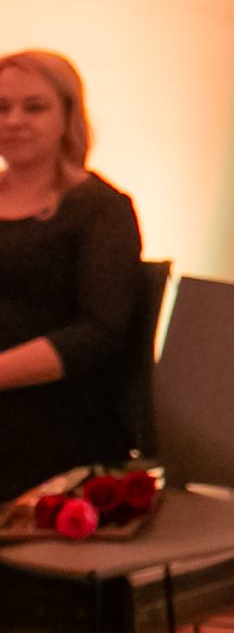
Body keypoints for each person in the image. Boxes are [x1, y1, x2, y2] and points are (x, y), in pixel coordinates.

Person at [0, 50, 144, 500]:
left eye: (34, 108)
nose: (14, 121)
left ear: (67, 117)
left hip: (53, 416)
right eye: (2, 108)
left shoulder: (102, 209)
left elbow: (99, 332)